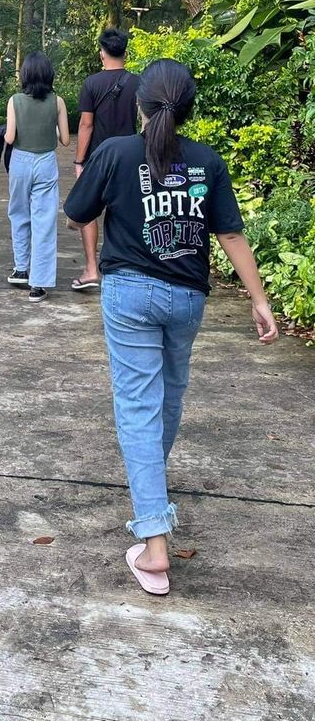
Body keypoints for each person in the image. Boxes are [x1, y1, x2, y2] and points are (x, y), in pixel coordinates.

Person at [64, 58, 278, 596]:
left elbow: (76, 214)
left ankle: (154, 544)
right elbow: (230, 236)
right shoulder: (206, 162)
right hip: (188, 297)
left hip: (130, 292)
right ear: (187, 109)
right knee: (169, 397)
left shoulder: (115, 153)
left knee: (139, 404)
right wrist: (260, 299)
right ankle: (149, 488)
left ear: (140, 105)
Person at [73, 27, 140, 290]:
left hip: (98, 156)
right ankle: (127, 268)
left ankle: (91, 269)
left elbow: (86, 125)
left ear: (102, 53)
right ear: (125, 52)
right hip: (132, 155)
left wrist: (79, 161)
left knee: (89, 210)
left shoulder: (91, 83)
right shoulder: (138, 82)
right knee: (126, 212)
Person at [5, 51, 71, 301]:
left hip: (20, 161)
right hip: (46, 162)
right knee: (44, 221)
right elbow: (65, 140)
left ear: (25, 75)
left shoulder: (14, 101)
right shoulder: (58, 102)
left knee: (19, 214)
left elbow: (10, 138)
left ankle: (21, 268)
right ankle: (39, 284)